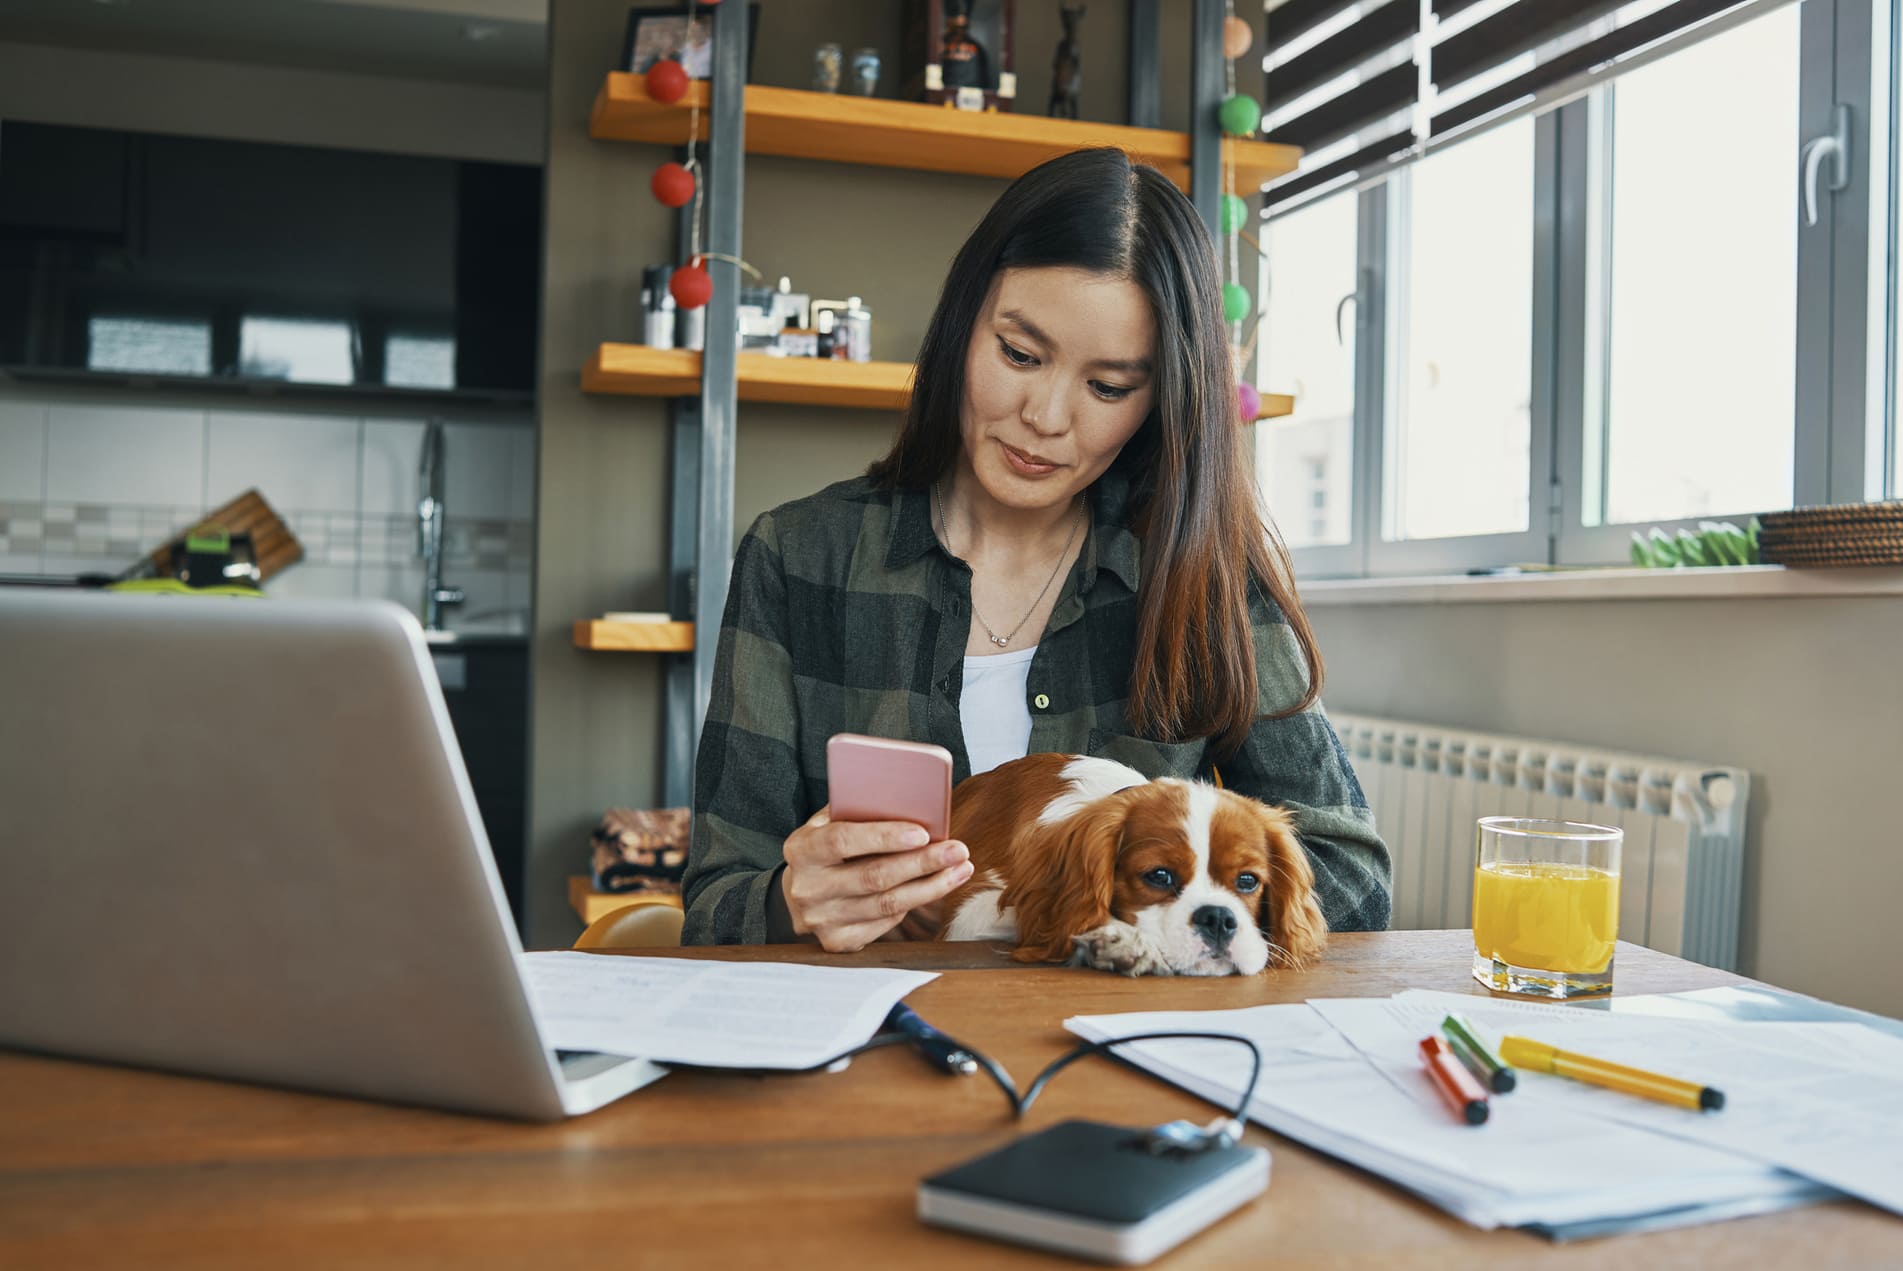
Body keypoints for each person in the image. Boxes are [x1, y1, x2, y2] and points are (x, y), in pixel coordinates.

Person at [683, 147, 1390, 952]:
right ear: (961, 327)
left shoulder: (1205, 576)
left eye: (1108, 387)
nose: (1046, 417)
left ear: (1162, 397)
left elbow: (1354, 879)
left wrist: (1155, 914)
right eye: (1019, 354)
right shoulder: (798, 556)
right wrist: (793, 900)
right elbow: (715, 902)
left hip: (1128, 1058)